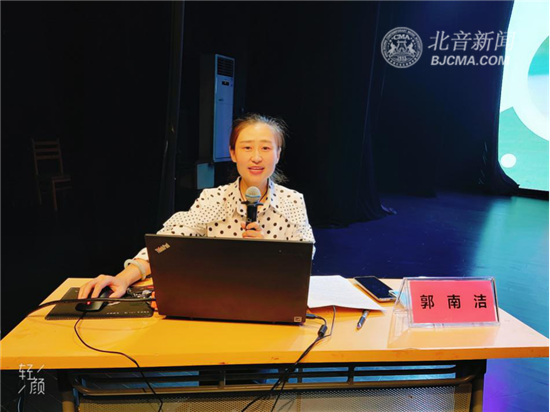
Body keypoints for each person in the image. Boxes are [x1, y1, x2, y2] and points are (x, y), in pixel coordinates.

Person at [78, 113, 315, 300]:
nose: (256, 157)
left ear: (278, 154)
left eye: (265, 148)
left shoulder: (292, 201)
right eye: (246, 147)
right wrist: (123, 278)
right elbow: (166, 244)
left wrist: (268, 253)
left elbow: (302, 262)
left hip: (269, 300)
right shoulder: (213, 199)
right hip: (216, 301)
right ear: (233, 153)